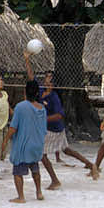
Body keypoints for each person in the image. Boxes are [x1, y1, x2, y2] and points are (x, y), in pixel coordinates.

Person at [1, 80, 47, 202]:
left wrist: (5, 140)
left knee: (17, 172)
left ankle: (21, 196)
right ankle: (39, 192)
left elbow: (13, 127)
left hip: (23, 146)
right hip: (37, 145)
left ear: (25, 92)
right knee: (35, 169)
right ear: (37, 93)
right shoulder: (42, 108)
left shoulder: (20, 107)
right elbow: (43, 128)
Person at [23, 51, 62, 187]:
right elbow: (31, 77)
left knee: (43, 154)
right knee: (44, 154)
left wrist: (42, 119)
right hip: (44, 129)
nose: (47, 79)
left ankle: (55, 180)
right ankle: (54, 180)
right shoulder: (40, 91)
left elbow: (58, 115)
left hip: (53, 129)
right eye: (46, 76)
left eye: (50, 77)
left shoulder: (54, 97)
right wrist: (27, 60)